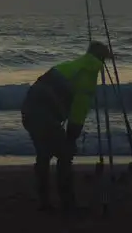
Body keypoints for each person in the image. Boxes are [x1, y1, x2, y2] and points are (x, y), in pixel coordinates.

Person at [20, 40, 111, 213]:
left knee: (44, 154)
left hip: (29, 110)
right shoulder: (88, 74)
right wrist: (72, 135)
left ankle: (44, 202)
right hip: (44, 115)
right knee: (65, 153)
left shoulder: (72, 66)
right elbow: (79, 108)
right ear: (101, 59)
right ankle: (68, 204)